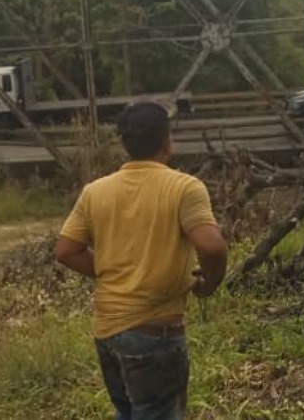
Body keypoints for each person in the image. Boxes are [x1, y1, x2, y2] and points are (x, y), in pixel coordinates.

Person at [54, 101, 227, 420]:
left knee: (130, 411)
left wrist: (112, 273)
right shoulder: (184, 188)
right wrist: (210, 283)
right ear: (167, 141)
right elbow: (212, 247)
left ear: (125, 144)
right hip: (153, 333)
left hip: (107, 332)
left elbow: (66, 250)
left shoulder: (96, 191)